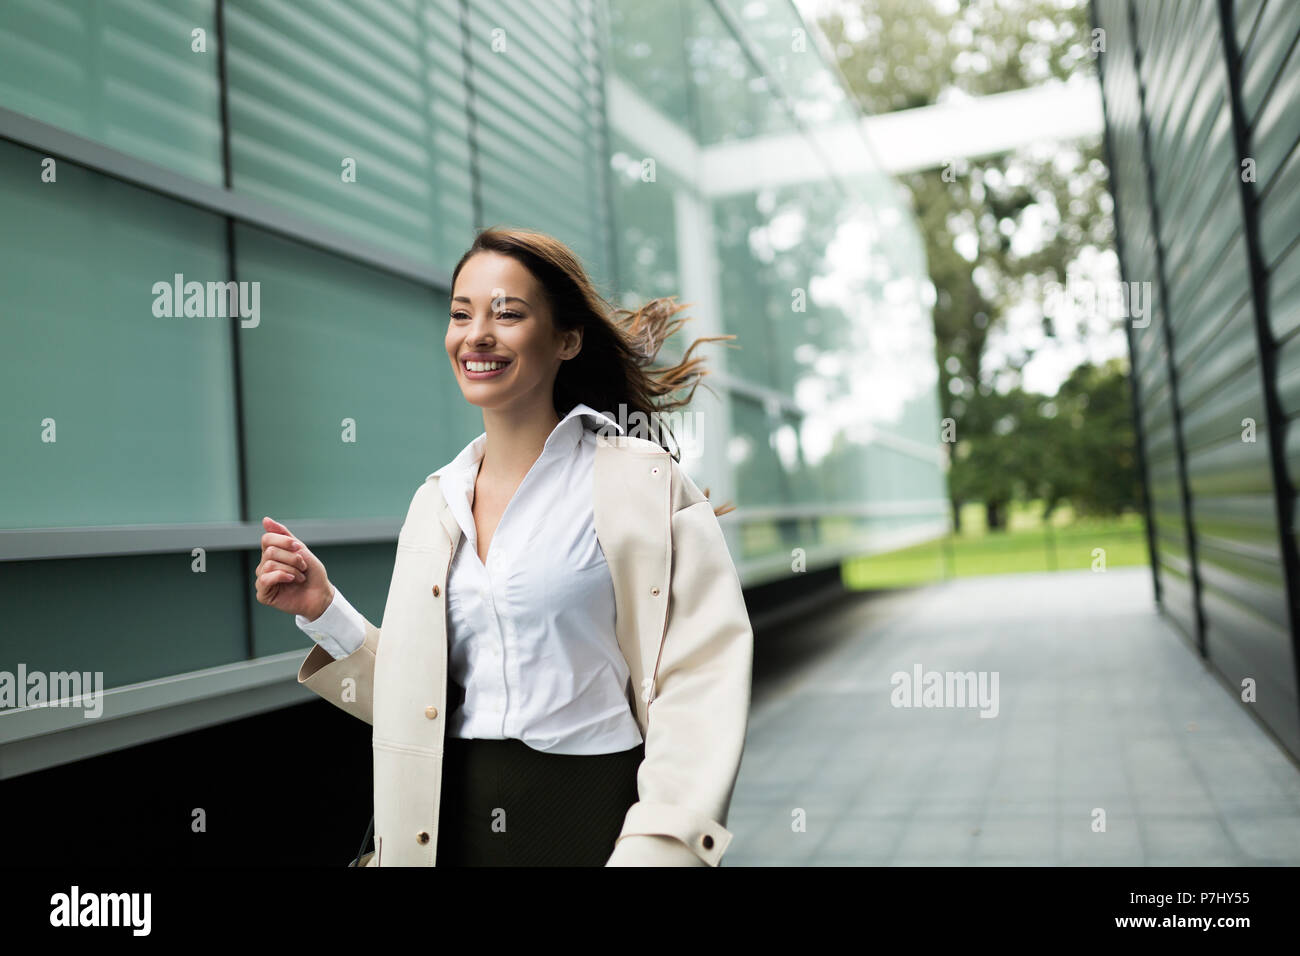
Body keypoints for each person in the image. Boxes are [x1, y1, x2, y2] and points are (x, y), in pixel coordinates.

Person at [255, 227, 753, 866]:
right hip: (447, 831)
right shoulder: (436, 503)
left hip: (595, 821)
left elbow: (702, 681)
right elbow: (423, 702)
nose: (476, 334)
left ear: (567, 340)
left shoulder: (643, 483)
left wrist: (660, 846)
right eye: (461, 314)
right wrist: (322, 608)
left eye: (508, 313)